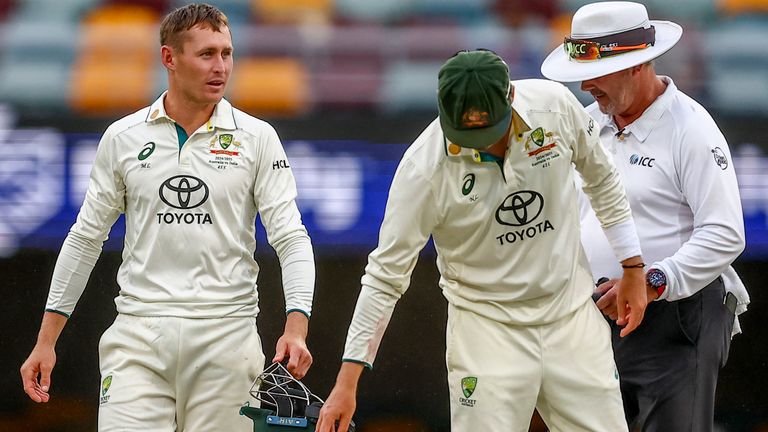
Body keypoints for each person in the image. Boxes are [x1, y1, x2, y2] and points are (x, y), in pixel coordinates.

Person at [317, 49, 649, 432]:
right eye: (467, 136)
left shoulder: (553, 107)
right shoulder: (422, 169)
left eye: (490, 133)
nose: (482, 146)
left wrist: (633, 267)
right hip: (486, 330)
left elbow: (603, 179)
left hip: (571, 316)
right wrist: (347, 382)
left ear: (511, 98)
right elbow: (385, 277)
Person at [19, 4, 315, 431]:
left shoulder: (258, 138)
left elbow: (291, 237)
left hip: (227, 337)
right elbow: (85, 239)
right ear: (169, 59)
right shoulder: (123, 137)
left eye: (227, 53)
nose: (221, 67)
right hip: (138, 336)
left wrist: (296, 326)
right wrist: (46, 341)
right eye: (207, 54)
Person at [541, 2, 749, 431]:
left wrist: (653, 281)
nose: (585, 85)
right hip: (596, 318)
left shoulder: (692, 129)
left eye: (595, 72)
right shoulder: (584, 123)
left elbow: (726, 234)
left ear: (636, 65)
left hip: (678, 318)